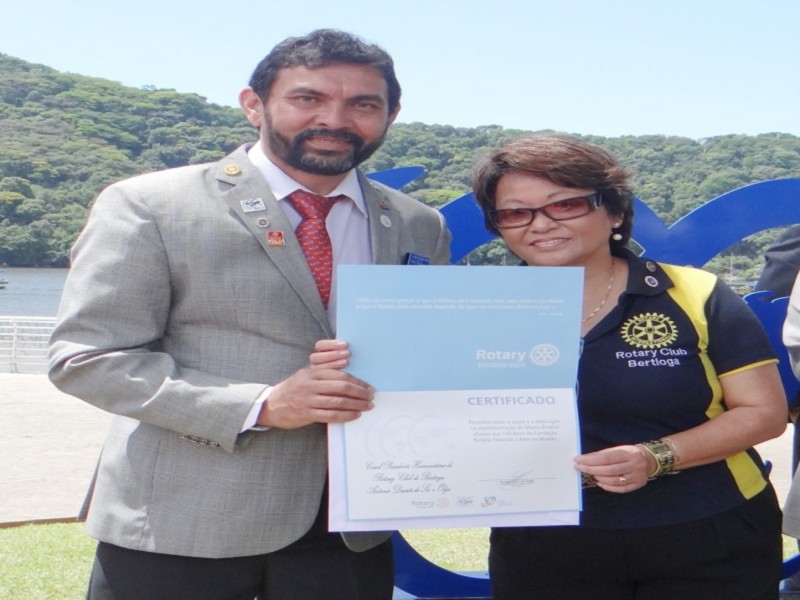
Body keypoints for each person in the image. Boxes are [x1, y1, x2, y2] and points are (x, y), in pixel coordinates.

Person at [48, 29, 451, 600]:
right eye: (308, 98)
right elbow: (87, 359)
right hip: (181, 523)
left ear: (391, 116)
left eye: (363, 104)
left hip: (349, 532)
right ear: (253, 105)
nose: (334, 119)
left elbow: (428, 357)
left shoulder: (419, 225)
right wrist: (261, 405)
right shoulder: (150, 204)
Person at [470, 135, 787, 600]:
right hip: (542, 541)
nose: (541, 223)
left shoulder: (696, 293)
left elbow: (764, 413)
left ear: (615, 212)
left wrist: (656, 456)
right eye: (516, 212)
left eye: (565, 205)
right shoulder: (476, 311)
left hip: (710, 531)